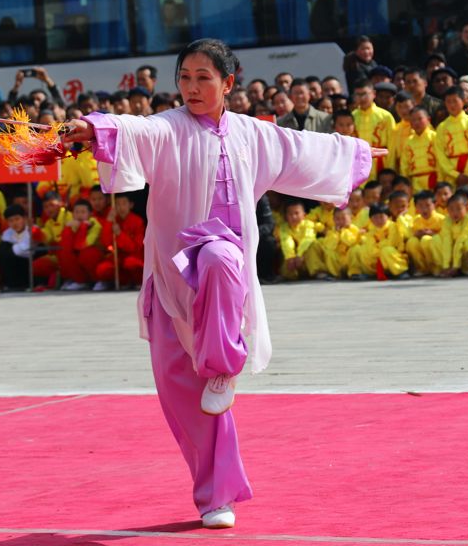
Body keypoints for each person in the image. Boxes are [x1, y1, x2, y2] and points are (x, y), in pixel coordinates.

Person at [61, 38, 378, 529]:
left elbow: (304, 147)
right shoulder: (168, 129)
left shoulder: (252, 133)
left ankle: (222, 362)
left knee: (217, 257)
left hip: (221, 271)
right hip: (170, 279)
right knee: (179, 396)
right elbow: (133, 129)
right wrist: (91, 127)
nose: (192, 87)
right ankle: (215, 497)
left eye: (203, 77)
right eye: (185, 77)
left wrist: (357, 154)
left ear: (228, 83)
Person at [95, 193, 146, 290]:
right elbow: (105, 242)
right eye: (117, 204)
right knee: (103, 269)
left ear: (130, 205)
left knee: (131, 263)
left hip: (133, 257)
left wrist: (120, 234)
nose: (121, 207)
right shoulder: (113, 220)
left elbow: (135, 248)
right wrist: (109, 221)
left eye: (124, 204)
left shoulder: (137, 221)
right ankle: (116, 282)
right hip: (117, 258)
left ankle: (138, 282)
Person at [434, 86, 468, 186]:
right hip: (451, 175)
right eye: (448, 102)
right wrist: (455, 174)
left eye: (455, 101)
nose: (452, 105)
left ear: (463, 101)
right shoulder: (441, 127)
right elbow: (440, 155)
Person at [351, 80, 396, 179]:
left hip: (381, 164)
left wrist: (390, 170)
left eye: (364, 94)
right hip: (358, 164)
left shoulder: (385, 116)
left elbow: (392, 146)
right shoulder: (352, 117)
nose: (361, 98)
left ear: (373, 94)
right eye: (358, 95)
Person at [56, 199, 103, 291]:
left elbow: (83, 245)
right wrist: (68, 229)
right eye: (76, 212)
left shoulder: (95, 225)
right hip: (79, 253)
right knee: (63, 253)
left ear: (90, 214)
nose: (79, 215)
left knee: (87, 254)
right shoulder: (72, 224)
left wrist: (83, 227)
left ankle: (100, 280)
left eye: (83, 212)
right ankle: (80, 281)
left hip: (94, 255)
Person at [353, 203, 408, 279]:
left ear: (388, 217)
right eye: (375, 217)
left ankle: (400, 271)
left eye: (381, 217)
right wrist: (377, 249)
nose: (379, 220)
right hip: (379, 256)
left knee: (387, 250)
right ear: (371, 219)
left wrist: (378, 246)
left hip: (394, 256)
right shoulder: (371, 230)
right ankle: (371, 273)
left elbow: (392, 243)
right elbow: (371, 248)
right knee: (363, 250)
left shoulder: (393, 226)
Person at [431, 192, 468, 277]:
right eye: (451, 209)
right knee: (435, 239)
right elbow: (446, 240)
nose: (455, 213)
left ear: (467, 208)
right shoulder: (447, 220)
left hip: (462, 246)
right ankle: (445, 269)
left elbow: (461, 240)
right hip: (452, 251)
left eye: (459, 209)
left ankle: (465, 269)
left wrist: (456, 266)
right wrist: (446, 265)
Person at [278, 199, 323, 280]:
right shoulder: (284, 227)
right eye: (290, 214)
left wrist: (299, 254)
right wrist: (290, 257)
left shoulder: (309, 224)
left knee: (313, 244)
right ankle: (291, 275)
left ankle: (317, 272)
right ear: (286, 216)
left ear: (304, 215)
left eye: (296, 213)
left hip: (304, 257)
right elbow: (286, 241)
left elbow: (308, 239)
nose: (294, 217)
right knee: (284, 250)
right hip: (294, 260)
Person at [398, 107, 438, 192]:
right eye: (413, 120)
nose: (416, 123)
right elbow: (404, 167)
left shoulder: (435, 137)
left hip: (434, 179)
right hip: (415, 183)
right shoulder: (408, 142)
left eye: (420, 119)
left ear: (428, 119)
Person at [405, 190, 444, 276]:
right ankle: (422, 268)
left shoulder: (441, 219)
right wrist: (417, 235)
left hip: (438, 249)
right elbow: (411, 234)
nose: (424, 209)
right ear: (416, 207)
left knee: (426, 240)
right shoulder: (416, 220)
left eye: (428, 205)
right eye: (420, 206)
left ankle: (437, 267)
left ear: (435, 205)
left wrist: (433, 234)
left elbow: (446, 236)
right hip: (423, 249)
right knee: (412, 242)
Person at [317, 207, 361, 279]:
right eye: (337, 219)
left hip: (348, 259)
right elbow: (330, 246)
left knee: (356, 249)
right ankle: (335, 274)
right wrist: (336, 234)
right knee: (329, 253)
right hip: (338, 260)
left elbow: (350, 242)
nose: (340, 221)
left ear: (351, 218)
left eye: (343, 218)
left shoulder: (354, 229)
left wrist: (343, 232)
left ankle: (354, 273)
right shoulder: (331, 232)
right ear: (333, 220)